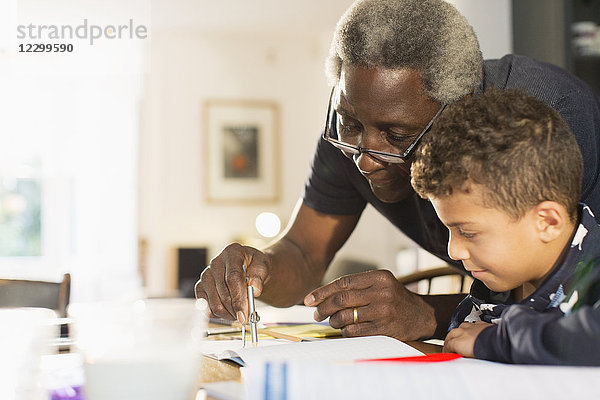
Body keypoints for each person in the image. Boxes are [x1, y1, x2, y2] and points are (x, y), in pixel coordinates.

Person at [195, 0, 600, 342]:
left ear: (457, 112)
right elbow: (303, 252)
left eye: (397, 134)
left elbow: (556, 295)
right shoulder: (351, 135)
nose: (365, 159)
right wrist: (256, 267)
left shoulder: (542, 124)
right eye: (350, 122)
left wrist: (425, 313)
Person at [411, 88, 600, 365]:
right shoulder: (497, 282)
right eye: (449, 230)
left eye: (468, 232)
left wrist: (496, 341)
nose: (453, 251)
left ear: (547, 222)